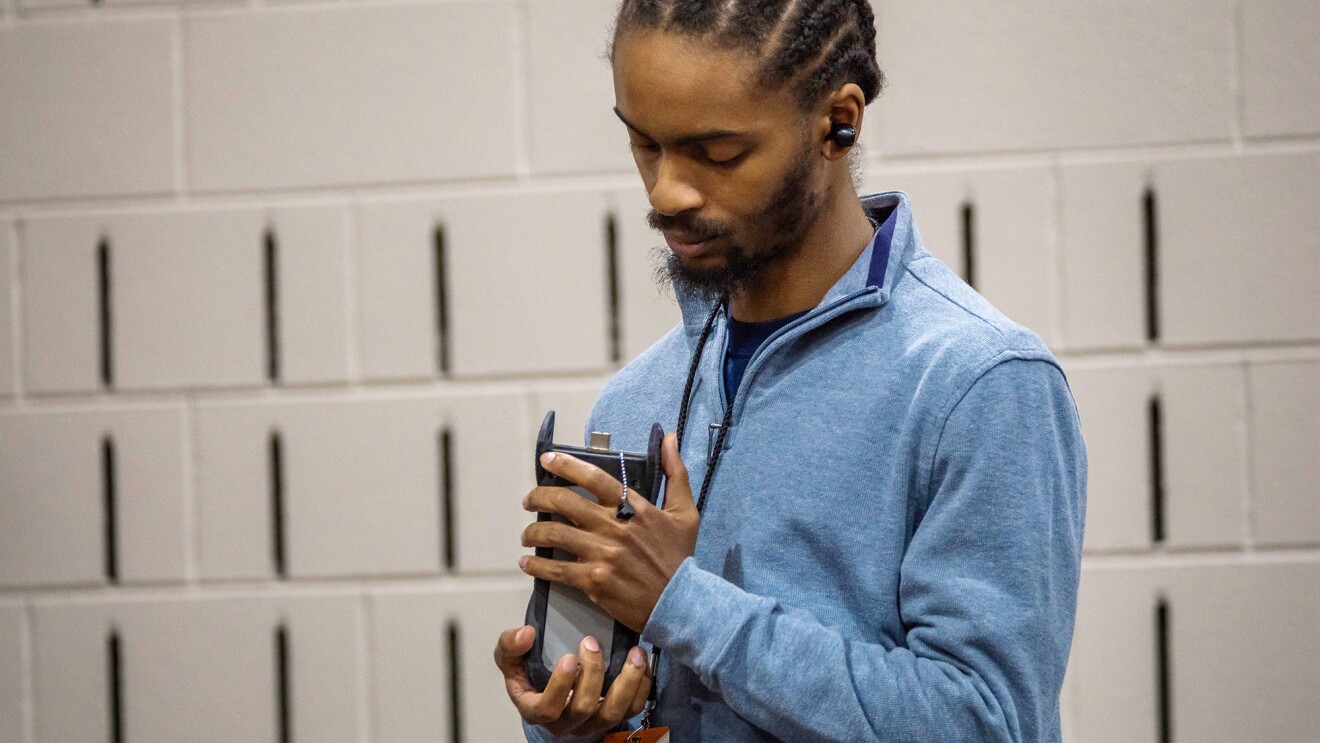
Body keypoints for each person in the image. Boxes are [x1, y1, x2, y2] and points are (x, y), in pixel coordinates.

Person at [492, 0, 1087, 740]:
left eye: (717, 152)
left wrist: (682, 603)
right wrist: (574, 720)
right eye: (644, 144)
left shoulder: (978, 383)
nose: (665, 191)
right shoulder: (639, 394)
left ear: (838, 121)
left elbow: (987, 723)